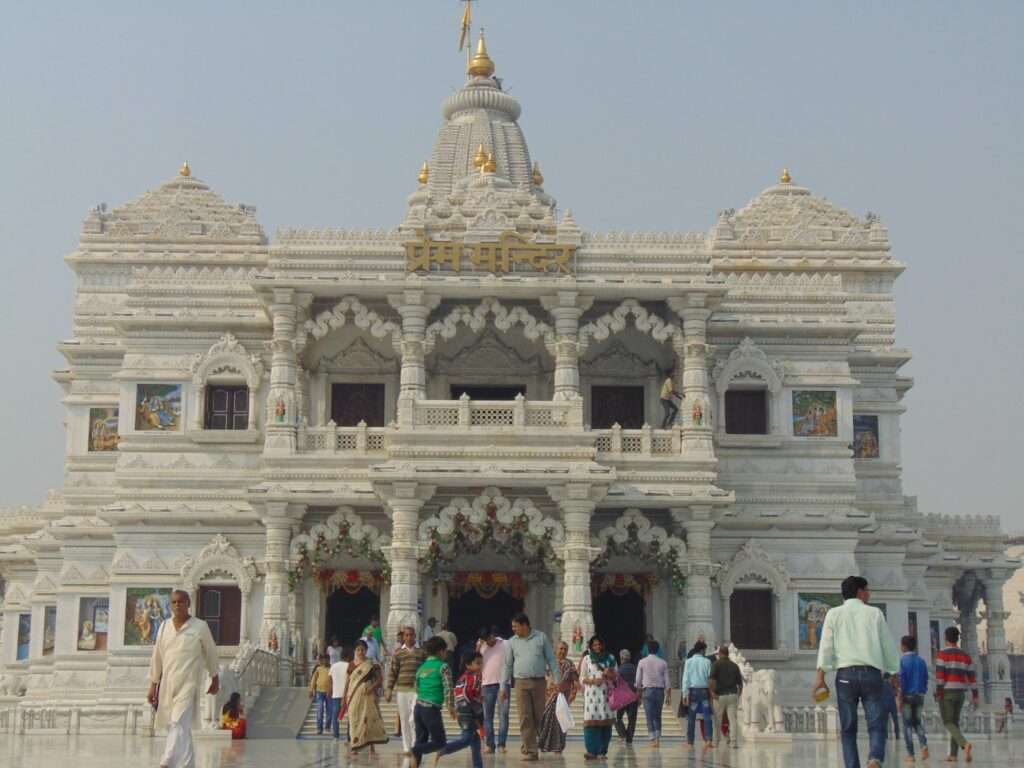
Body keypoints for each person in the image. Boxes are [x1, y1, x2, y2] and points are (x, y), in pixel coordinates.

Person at [813, 575, 901, 768]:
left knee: (848, 728)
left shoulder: (833, 614)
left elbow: (826, 646)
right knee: (877, 724)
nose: (869, 594)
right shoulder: (875, 613)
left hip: (845, 676)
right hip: (871, 675)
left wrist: (821, 677)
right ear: (860, 592)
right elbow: (887, 645)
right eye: (867, 590)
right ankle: (875, 758)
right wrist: (894, 673)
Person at [146, 589, 220, 768]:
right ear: (170, 605)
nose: (177, 605)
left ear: (189, 603)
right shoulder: (164, 626)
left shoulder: (199, 626)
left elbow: (210, 652)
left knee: (178, 720)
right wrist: (153, 684)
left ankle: (167, 759)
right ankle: (188, 764)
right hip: (168, 683)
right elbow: (157, 656)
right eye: (174, 602)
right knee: (180, 725)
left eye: (181, 602)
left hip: (189, 682)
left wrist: (214, 677)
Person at [501, 612, 560, 761]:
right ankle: (530, 750)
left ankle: (541, 743)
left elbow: (551, 659)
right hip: (520, 683)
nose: (513, 629)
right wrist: (503, 686)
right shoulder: (512, 642)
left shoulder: (541, 637)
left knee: (540, 716)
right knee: (525, 717)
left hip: (539, 683)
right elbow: (507, 665)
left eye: (515, 626)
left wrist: (557, 680)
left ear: (524, 625)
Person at [411, 636, 457, 768]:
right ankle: (415, 750)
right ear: (441, 651)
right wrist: (451, 707)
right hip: (431, 709)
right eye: (445, 651)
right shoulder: (443, 667)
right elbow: (448, 687)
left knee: (421, 740)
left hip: (418, 708)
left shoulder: (422, 668)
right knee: (440, 742)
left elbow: (417, 687)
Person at [935, 626, 977, 763]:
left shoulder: (942, 654)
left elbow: (940, 676)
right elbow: (972, 677)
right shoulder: (965, 656)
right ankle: (953, 755)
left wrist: (939, 691)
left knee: (948, 722)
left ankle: (964, 744)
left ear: (946, 637)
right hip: (960, 692)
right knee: (955, 723)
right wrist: (975, 695)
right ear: (957, 638)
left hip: (947, 691)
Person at [438, 651, 485, 768]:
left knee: (475, 741)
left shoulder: (463, 678)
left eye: (481, 663)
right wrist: (477, 707)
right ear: (468, 665)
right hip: (468, 713)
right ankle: (445, 749)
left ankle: (478, 766)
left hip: (463, 711)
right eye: (478, 663)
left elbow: (463, 694)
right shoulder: (473, 677)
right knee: (466, 740)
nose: (480, 666)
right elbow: (469, 695)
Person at [387, 625, 428, 755]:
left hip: (417, 690)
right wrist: (389, 688)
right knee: (404, 718)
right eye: (407, 635)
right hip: (402, 690)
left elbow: (426, 670)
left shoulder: (421, 652)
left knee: (413, 718)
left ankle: (415, 745)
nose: (409, 637)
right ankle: (406, 747)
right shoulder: (398, 653)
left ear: (415, 636)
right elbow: (393, 672)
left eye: (411, 635)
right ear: (403, 637)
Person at [345, 639, 388, 753]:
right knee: (354, 719)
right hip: (352, 696)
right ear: (355, 651)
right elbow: (347, 682)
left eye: (362, 650)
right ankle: (355, 744)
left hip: (367, 696)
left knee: (368, 719)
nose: (360, 652)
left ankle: (371, 745)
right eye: (358, 650)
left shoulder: (371, 664)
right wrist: (344, 698)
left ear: (366, 650)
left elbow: (380, 679)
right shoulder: (351, 665)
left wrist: (371, 687)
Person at [538, 640, 580, 753]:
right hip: (549, 695)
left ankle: (558, 746)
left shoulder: (570, 664)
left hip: (563, 696)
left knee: (560, 720)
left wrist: (572, 695)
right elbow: (543, 677)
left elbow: (575, 681)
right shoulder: (549, 663)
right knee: (545, 719)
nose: (562, 651)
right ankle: (544, 745)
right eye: (560, 648)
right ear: (555, 650)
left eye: (565, 649)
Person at [580, 635, 617, 760]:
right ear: (591, 646)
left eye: (599, 644)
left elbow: (616, 676)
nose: (597, 647)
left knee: (605, 724)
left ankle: (602, 751)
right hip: (591, 697)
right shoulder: (587, 659)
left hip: (607, 696)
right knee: (590, 724)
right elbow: (582, 678)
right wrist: (593, 681)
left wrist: (609, 674)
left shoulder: (610, 658)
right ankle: (591, 751)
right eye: (594, 645)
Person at [477, 626, 510, 754]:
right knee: (487, 716)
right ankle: (490, 744)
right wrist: (479, 648)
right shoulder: (482, 646)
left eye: (489, 638)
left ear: (493, 635)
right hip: (486, 685)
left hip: (503, 684)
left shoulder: (505, 644)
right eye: (485, 640)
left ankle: (502, 744)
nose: (488, 642)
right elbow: (475, 664)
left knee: (503, 715)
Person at [898, 634, 930, 762]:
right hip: (919, 695)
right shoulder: (921, 661)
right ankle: (923, 745)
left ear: (904, 646)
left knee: (907, 726)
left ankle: (911, 754)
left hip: (907, 696)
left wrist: (900, 698)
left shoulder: (903, 661)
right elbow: (926, 678)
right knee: (917, 723)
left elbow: (902, 681)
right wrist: (923, 690)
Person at [636, 640, 671, 748]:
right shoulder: (663, 662)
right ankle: (657, 738)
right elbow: (667, 681)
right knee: (657, 715)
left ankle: (652, 738)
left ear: (648, 649)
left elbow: (638, 680)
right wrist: (668, 695)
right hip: (660, 691)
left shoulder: (642, 662)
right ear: (657, 649)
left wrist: (638, 692)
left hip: (647, 691)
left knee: (649, 715)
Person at [708, 644, 742, 750]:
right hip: (732, 695)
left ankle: (716, 742)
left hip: (719, 696)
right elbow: (740, 684)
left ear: (720, 653)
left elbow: (712, 680)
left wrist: (712, 692)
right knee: (733, 720)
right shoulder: (734, 666)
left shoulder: (716, 664)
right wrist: (738, 695)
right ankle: (734, 742)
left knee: (717, 719)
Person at [681, 639, 714, 749]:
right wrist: (711, 694)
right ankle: (709, 740)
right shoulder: (707, 662)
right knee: (707, 716)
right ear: (702, 650)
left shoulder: (688, 661)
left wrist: (685, 695)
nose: (705, 652)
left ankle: (690, 741)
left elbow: (685, 679)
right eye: (705, 650)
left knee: (691, 717)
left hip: (693, 691)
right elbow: (710, 679)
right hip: (704, 691)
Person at [614, 649, 639, 745]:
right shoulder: (635, 668)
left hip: (622, 696)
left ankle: (623, 733)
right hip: (633, 696)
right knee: (632, 719)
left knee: (617, 717)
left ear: (621, 658)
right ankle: (629, 738)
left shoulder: (619, 669)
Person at [309, 653, 332, 735]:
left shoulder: (332, 668)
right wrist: (311, 690)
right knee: (320, 710)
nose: (325, 661)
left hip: (329, 692)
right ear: (322, 660)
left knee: (330, 711)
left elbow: (334, 680)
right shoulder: (318, 669)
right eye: (323, 659)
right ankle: (319, 728)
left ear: (329, 660)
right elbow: (313, 680)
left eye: (327, 659)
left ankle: (328, 726)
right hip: (319, 692)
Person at [882, 674, 900, 739]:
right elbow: (895, 693)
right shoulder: (891, 685)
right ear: (888, 678)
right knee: (895, 720)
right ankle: (897, 735)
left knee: (885, 721)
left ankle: (885, 735)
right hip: (892, 704)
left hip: (884, 705)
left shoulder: (881, 685)